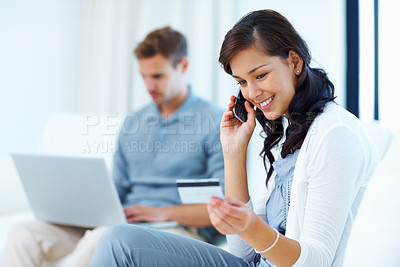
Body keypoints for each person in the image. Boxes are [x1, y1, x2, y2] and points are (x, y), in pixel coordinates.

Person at [89, 9, 379, 267]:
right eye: (242, 82)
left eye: (260, 75)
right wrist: (234, 152)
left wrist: (251, 226)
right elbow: (242, 253)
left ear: (294, 61)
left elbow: (314, 261)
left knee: (119, 241)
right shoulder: (293, 136)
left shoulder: (334, 133)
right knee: (116, 239)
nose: (251, 93)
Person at [0, 26, 225, 267]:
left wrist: (161, 212)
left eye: (158, 76)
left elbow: (223, 206)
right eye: (143, 76)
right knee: (23, 235)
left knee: (101, 239)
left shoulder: (215, 121)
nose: (149, 86)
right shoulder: (133, 123)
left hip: (175, 229)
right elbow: (116, 190)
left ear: (183, 66)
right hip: (123, 221)